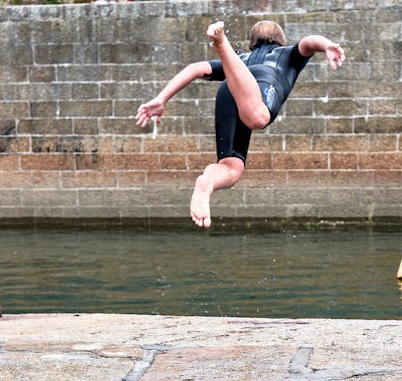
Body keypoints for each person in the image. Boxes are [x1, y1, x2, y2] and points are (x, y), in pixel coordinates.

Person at [136, 19, 345, 227]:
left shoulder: (243, 59)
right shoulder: (287, 54)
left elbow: (196, 68)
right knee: (258, 118)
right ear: (281, 40)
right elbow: (309, 42)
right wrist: (327, 44)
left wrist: (162, 98)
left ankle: (207, 183)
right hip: (258, 86)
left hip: (230, 88)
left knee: (231, 167)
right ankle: (221, 44)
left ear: (252, 42)